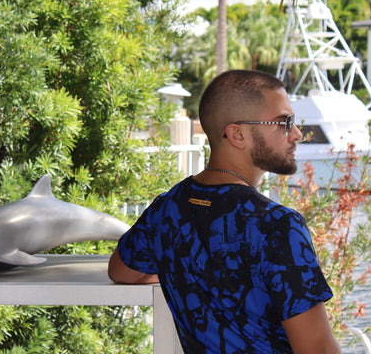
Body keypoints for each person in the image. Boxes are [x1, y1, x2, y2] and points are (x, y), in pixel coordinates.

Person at [108, 70, 341, 354]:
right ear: (237, 134)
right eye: (284, 122)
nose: (297, 134)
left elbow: (120, 270)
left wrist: (178, 270)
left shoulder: (167, 209)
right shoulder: (277, 225)